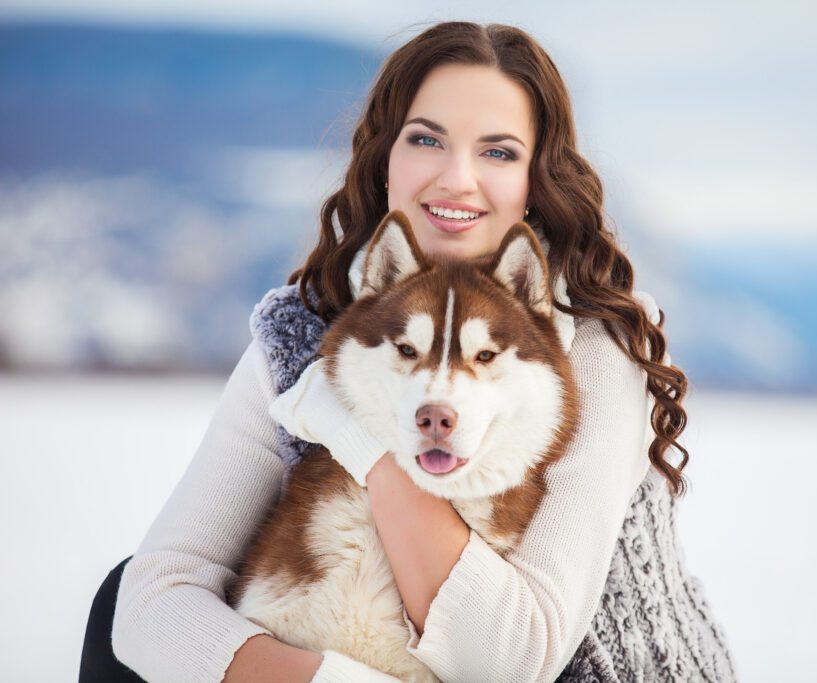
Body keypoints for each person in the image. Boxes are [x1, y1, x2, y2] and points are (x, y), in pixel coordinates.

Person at [81, 21, 737, 682]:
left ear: (535, 180)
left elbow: (511, 660)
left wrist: (362, 441)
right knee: (119, 598)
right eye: (426, 140)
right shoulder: (303, 333)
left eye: (499, 152)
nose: (458, 179)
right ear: (384, 158)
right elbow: (150, 599)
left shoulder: (600, 340)